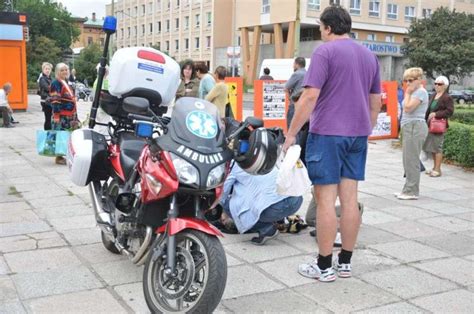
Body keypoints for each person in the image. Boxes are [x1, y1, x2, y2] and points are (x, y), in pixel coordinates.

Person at [282, 5, 381, 282]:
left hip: (328, 135)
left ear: (327, 27)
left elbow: (310, 97)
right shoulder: (369, 55)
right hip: (357, 135)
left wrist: (291, 134)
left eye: (321, 28)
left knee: (325, 200)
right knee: (350, 199)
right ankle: (345, 263)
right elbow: (376, 101)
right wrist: (366, 127)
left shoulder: (325, 52)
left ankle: (324, 266)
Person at [218, 163, 303, 245]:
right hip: (297, 199)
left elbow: (222, 194)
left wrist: (216, 208)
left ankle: (266, 229)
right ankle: (277, 220)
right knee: (260, 194)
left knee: (227, 204)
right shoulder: (258, 155)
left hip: (277, 207)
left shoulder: (233, 167)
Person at [395, 67, 429, 200]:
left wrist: (407, 93)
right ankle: (407, 188)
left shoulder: (420, 92)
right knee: (407, 159)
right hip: (409, 126)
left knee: (412, 159)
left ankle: (412, 191)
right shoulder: (414, 92)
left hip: (415, 126)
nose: (408, 83)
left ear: (419, 80)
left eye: (411, 80)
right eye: (406, 80)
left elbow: (408, 108)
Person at [423, 75, 454, 177]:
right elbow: (429, 110)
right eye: (435, 83)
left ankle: (437, 169)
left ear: (445, 86)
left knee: (438, 147)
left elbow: (450, 111)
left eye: (439, 84)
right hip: (430, 124)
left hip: (438, 125)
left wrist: (436, 114)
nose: (437, 85)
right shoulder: (433, 95)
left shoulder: (447, 97)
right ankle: (434, 167)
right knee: (432, 147)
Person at [49, 63, 79, 165]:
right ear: (57, 72)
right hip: (62, 115)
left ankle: (67, 154)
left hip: (70, 114)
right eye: (62, 70)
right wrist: (56, 115)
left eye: (66, 70)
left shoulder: (66, 82)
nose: (65, 72)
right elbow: (55, 99)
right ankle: (59, 157)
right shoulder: (56, 83)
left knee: (68, 135)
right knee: (60, 135)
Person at [285, 57, 307, 130]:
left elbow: (286, 87)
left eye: (294, 64)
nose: (293, 65)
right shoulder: (308, 74)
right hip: (305, 105)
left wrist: (290, 98)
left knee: (292, 127)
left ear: (297, 64)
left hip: (295, 104)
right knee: (302, 129)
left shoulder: (297, 74)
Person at [38, 62, 53, 130]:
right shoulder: (42, 79)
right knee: (48, 119)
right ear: (43, 70)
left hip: (50, 100)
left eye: (49, 69)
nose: (47, 70)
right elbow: (48, 88)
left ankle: (50, 133)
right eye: (46, 69)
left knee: (50, 119)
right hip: (45, 101)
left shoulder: (50, 78)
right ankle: (47, 134)